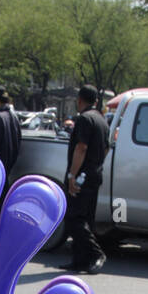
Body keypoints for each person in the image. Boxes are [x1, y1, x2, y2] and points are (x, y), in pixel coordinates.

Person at [60, 84, 110, 274]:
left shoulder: (84, 119)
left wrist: (72, 175)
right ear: (96, 101)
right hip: (94, 174)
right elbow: (107, 148)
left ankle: (96, 253)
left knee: (73, 218)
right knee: (85, 218)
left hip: (81, 176)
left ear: (79, 100)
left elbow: (81, 147)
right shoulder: (102, 120)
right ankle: (80, 260)